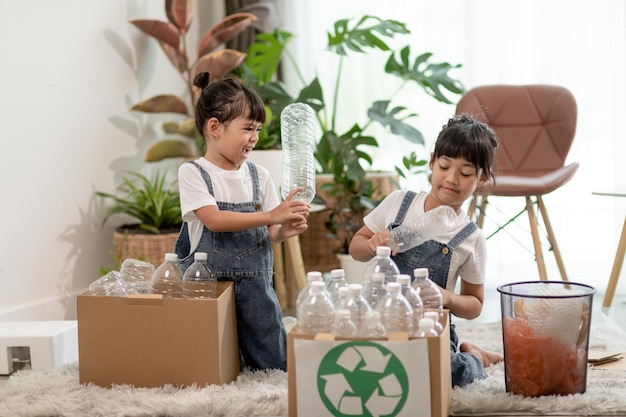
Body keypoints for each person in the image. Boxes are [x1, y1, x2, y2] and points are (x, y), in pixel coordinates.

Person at [349, 114, 504, 387]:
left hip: (428, 326)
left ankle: (476, 357)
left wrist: (447, 297)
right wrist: (372, 244)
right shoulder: (399, 203)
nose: (452, 179)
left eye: (466, 173)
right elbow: (356, 248)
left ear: (481, 179)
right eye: (444, 166)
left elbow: (475, 304)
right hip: (380, 319)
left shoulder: (470, 237)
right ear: (432, 162)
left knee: (440, 373)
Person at [174, 72, 310, 372]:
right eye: (248, 128)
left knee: (273, 360)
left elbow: (272, 232)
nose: (255, 137)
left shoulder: (258, 175)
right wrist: (272, 215)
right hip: (206, 286)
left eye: (258, 129)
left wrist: (285, 228)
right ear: (215, 128)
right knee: (207, 361)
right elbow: (214, 220)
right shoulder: (193, 172)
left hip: (257, 285)